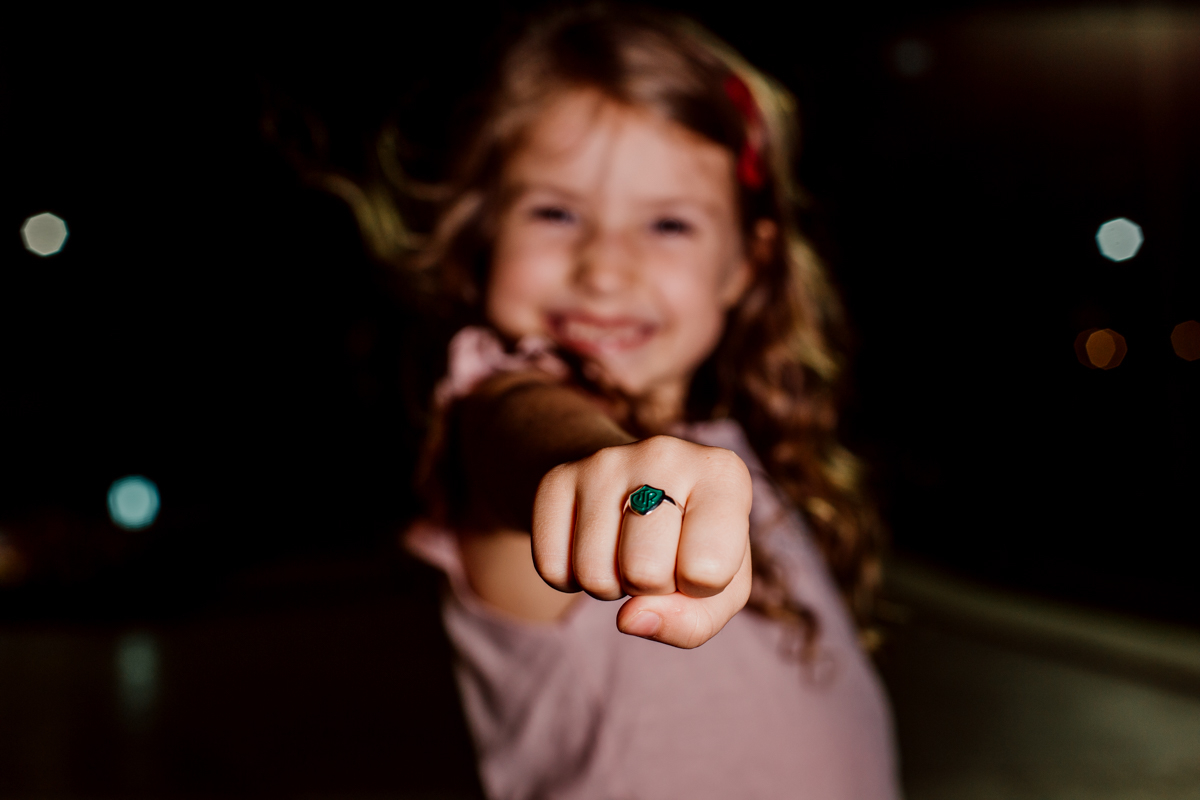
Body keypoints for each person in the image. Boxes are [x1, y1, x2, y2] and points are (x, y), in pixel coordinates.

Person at [340, 6, 900, 798]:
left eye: (668, 224)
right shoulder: (498, 416)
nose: (604, 268)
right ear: (485, 232)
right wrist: (598, 468)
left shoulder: (730, 456)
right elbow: (523, 431)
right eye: (555, 213)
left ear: (746, 262)